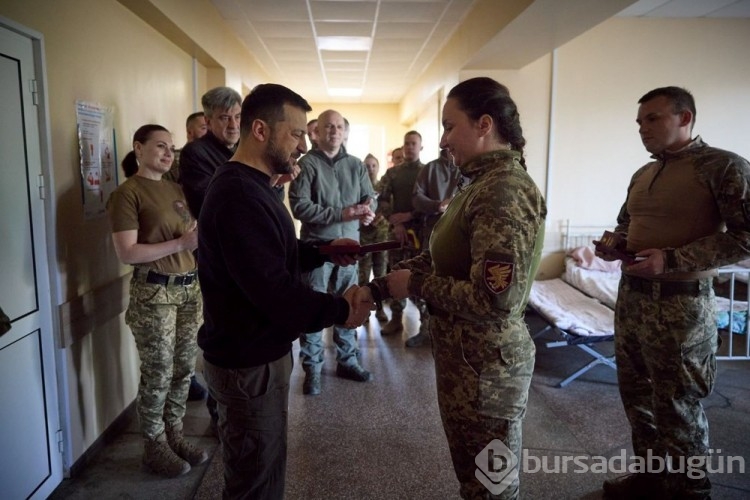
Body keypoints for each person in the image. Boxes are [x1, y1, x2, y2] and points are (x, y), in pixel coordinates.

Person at [360, 77, 546, 499]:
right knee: (473, 477)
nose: (443, 141)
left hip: (487, 367)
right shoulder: (477, 185)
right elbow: (440, 255)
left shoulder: (503, 192)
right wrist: (381, 289)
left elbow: (494, 301)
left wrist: (417, 284)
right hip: (467, 359)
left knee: (491, 484)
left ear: (484, 124)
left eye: (449, 126)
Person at [197, 83, 369, 498]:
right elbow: (274, 292)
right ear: (260, 130)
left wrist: (323, 252)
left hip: (258, 357)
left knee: (265, 467)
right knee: (253, 482)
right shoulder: (238, 193)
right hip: (247, 363)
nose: (302, 145)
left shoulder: (257, 185)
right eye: (295, 134)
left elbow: (277, 252)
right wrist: (341, 312)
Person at [597, 86, 750, 500]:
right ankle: (651, 477)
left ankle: (689, 489)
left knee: (678, 403)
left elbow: (746, 235)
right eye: (639, 122)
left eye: (653, 119)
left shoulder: (724, 167)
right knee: (638, 396)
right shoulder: (643, 174)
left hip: (681, 303)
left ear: (685, 118)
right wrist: (616, 246)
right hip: (633, 299)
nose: (643, 129)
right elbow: (627, 224)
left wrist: (672, 258)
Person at [107, 124, 208, 478]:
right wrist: (181, 245)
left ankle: (174, 435)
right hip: (155, 294)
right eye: (160, 146)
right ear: (139, 148)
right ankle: (153, 444)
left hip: (187, 290)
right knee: (159, 372)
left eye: (171, 147)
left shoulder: (175, 188)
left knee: (183, 370)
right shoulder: (128, 193)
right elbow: (127, 251)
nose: (168, 153)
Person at [288, 109, 377, 396]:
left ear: (346, 132)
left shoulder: (355, 165)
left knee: (350, 305)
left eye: (339, 126)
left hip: (350, 249)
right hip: (318, 249)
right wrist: (342, 213)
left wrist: (367, 211)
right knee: (312, 309)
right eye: (328, 126)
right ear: (316, 132)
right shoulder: (307, 165)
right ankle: (312, 368)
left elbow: (369, 196)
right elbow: (300, 207)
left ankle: (347, 361)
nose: (334, 131)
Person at [178, 86, 242, 426]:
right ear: (208, 120)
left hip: (250, 255)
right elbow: (209, 206)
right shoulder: (196, 154)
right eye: (223, 118)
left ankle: (240, 406)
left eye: (237, 117)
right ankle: (220, 415)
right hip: (218, 260)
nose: (232, 124)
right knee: (222, 336)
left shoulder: (247, 149)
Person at [405, 147, 464, 347]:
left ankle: (451, 332)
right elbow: (417, 198)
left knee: (456, 282)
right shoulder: (430, 169)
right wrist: (436, 205)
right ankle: (426, 328)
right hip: (432, 233)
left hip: (461, 235)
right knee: (428, 278)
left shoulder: (467, 167)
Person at [377, 130, 429, 347]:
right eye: (406, 143)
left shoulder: (428, 172)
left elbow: (434, 202)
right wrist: (395, 221)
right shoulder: (393, 174)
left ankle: (426, 325)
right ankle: (396, 318)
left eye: (413, 143)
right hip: (397, 235)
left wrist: (411, 216)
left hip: (422, 233)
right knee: (396, 273)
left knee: (420, 277)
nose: (409, 147)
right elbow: (381, 198)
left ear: (420, 147)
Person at [358, 153, 389, 322]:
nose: (370, 169)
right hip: (364, 237)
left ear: (378, 167)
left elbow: (390, 204)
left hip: (382, 236)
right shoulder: (360, 187)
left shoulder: (384, 186)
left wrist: (383, 215)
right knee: (363, 274)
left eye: (373, 166)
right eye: (367, 166)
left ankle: (380, 309)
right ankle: (364, 310)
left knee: (381, 274)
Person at [162, 111, 208, 184]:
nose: (209, 132)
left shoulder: (212, 157)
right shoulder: (171, 158)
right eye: (204, 128)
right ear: (190, 132)